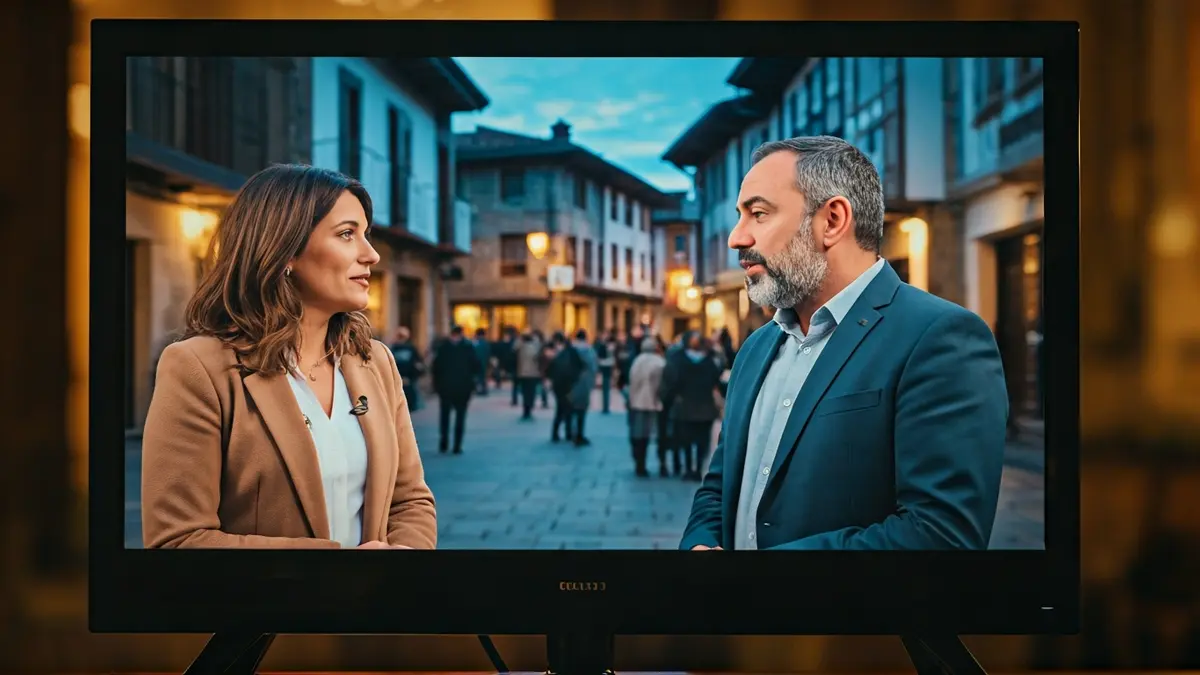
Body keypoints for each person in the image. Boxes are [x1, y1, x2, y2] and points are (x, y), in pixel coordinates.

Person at [680, 135, 1008, 552]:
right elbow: (719, 487)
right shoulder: (757, 348)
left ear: (833, 220)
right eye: (740, 215)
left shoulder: (939, 338)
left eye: (758, 214)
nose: (736, 237)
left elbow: (942, 533)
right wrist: (700, 546)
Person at [141, 164, 437, 550]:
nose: (372, 255)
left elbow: (410, 499)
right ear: (285, 250)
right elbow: (177, 539)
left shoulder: (375, 361)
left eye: (367, 235)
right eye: (347, 234)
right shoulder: (197, 368)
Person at [660, 332, 725, 481]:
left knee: (686, 440)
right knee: (703, 441)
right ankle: (697, 469)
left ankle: (688, 469)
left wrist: (667, 400)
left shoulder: (678, 360)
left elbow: (672, 382)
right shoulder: (710, 361)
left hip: (685, 407)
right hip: (705, 407)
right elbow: (716, 380)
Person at [431, 325, 481, 454]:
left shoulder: (443, 348)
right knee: (460, 417)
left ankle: (444, 442)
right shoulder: (468, 347)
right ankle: (457, 445)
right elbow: (476, 366)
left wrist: (436, 385)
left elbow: (436, 368)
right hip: (462, 388)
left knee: (445, 416)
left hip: (446, 387)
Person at [626, 337, 667, 477]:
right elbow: (661, 385)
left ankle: (639, 463)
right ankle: (657, 463)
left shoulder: (637, 361)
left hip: (637, 402)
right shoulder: (659, 362)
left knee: (639, 434)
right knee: (652, 434)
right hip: (653, 402)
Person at [568, 329, 599, 447]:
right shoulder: (588, 350)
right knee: (581, 410)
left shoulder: (570, 349)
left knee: (571, 410)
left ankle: (571, 433)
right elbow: (593, 366)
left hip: (570, 383)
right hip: (584, 382)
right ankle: (579, 434)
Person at [388, 326, 424, 411]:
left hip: (402, 378)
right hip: (405, 378)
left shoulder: (394, 348)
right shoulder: (409, 348)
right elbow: (418, 363)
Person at [514, 330, 543, 420]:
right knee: (531, 394)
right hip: (533, 374)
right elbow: (538, 354)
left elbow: (514, 348)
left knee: (525, 393)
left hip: (522, 373)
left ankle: (526, 411)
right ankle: (529, 410)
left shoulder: (521, 346)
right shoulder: (535, 347)